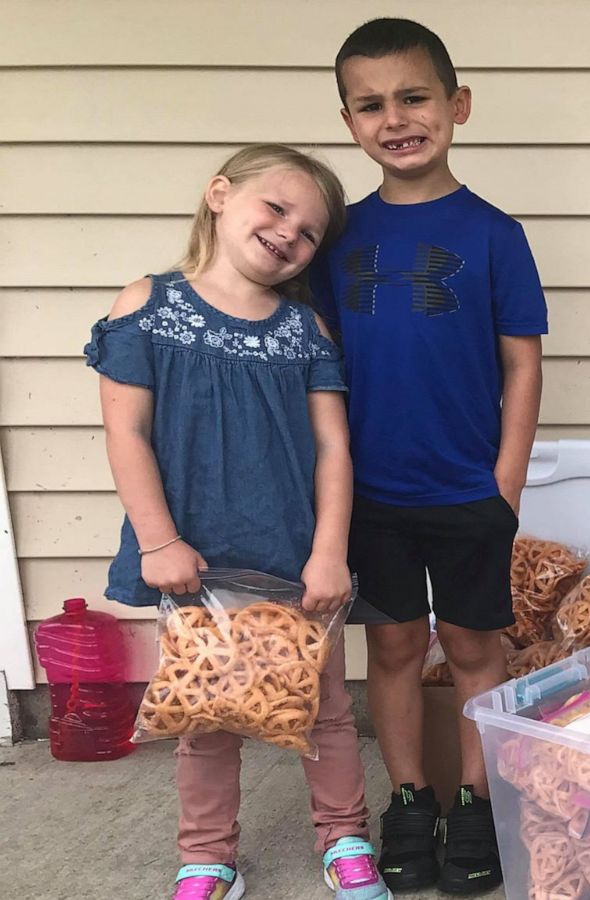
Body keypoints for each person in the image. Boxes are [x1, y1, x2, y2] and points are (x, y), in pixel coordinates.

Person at [87, 144, 389, 900]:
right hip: (192, 558)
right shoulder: (146, 308)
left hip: (292, 559)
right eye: (276, 208)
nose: (290, 232)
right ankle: (205, 854)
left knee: (324, 712)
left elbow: (332, 449)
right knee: (206, 713)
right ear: (220, 196)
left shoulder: (305, 333)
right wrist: (158, 540)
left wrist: (329, 553)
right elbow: (125, 432)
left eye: (311, 230)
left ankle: (345, 838)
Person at [311, 17, 547, 894]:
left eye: (413, 96)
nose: (395, 118)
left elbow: (521, 363)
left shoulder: (495, 234)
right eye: (371, 105)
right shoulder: (337, 237)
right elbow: (319, 367)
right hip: (369, 492)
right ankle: (410, 797)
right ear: (349, 123)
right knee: (398, 646)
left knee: (476, 646)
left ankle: (475, 799)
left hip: (466, 487)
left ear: (458, 104)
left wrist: (505, 481)